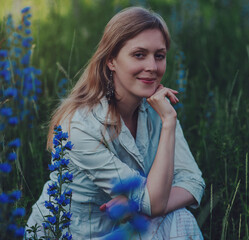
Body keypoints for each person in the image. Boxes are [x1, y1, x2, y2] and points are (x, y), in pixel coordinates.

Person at [26, 6, 205, 240]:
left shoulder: (159, 111)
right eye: (139, 55)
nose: (152, 66)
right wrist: (147, 203)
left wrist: (137, 205)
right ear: (111, 60)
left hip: (130, 229)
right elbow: (154, 203)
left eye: (159, 56)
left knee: (180, 217)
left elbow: (192, 183)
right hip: (75, 235)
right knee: (171, 216)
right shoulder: (79, 125)